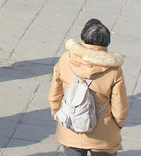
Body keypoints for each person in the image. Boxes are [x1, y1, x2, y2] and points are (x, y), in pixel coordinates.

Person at [48, 19, 129, 156]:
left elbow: (55, 93)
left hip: (71, 127)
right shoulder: (114, 70)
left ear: (84, 37)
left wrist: (57, 113)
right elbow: (120, 107)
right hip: (103, 135)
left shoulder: (66, 59)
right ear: (106, 42)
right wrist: (117, 125)